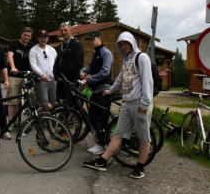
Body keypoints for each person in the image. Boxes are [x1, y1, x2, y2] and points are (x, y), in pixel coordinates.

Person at [83, 31, 154, 179]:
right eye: (121, 44)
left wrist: (145, 103)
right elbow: (121, 79)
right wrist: (111, 91)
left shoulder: (142, 58)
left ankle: (140, 168)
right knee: (118, 134)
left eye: (126, 43)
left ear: (132, 43)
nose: (123, 46)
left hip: (140, 104)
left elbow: (148, 81)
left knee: (143, 137)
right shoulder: (127, 60)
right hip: (127, 103)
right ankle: (102, 162)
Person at [79, 30, 113, 155]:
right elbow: (90, 68)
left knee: (98, 117)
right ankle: (102, 143)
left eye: (93, 39)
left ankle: (102, 144)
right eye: (90, 40)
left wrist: (89, 79)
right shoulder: (96, 53)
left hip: (103, 88)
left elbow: (105, 71)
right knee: (94, 116)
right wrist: (82, 71)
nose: (91, 42)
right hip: (95, 88)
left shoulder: (106, 53)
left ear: (99, 38)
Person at [6, 27, 34, 130]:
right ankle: (10, 122)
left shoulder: (32, 46)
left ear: (31, 37)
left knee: (22, 100)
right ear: (21, 34)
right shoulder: (14, 43)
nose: (26, 37)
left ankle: (17, 120)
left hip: (26, 75)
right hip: (14, 75)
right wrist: (13, 67)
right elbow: (10, 55)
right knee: (12, 99)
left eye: (28, 36)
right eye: (25, 35)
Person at [53, 22, 84, 102]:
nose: (63, 32)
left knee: (71, 105)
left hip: (71, 81)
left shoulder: (76, 44)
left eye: (65, 30)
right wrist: (56, 75)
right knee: (61, 103)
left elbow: (75, 63)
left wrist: (63, 75)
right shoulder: (62, 45)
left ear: (71, 31)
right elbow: (57, 61)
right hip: (61, 82)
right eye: (61, 31)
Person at [29, 29, 57, 112]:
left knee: (53, 104)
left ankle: (47, 123)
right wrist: (41, 74)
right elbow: (33, 65)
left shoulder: (52, 50)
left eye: (45, 37)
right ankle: (42, 121)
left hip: (52, 80)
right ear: (38, 38)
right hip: (41, 80)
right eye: (41, 37)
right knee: (45, 103)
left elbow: (56, 63)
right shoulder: (33, 50)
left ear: (47, 38)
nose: (43, 39)